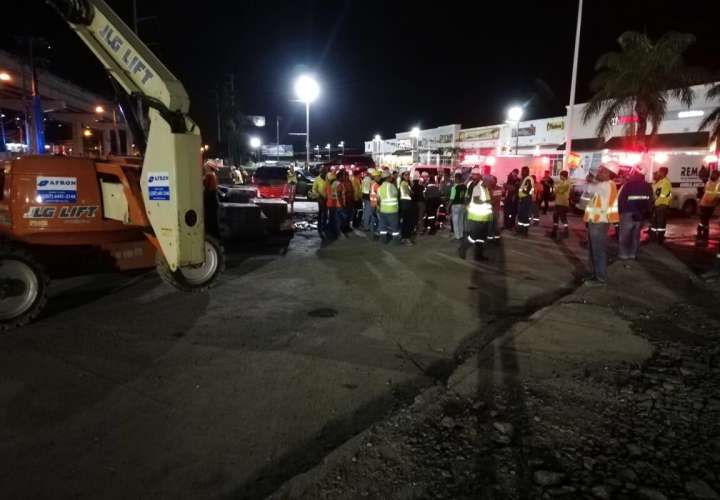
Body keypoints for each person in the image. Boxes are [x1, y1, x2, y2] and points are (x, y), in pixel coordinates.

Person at [583, 163, 620, 286]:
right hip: (595, 221)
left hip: (600, 222)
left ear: (609, 174)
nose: (599, 172)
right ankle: (593, 274)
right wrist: (592, 181)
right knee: (593, 250)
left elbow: (592, 189)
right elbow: (589, 191)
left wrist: (591, 180)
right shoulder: (604, 184)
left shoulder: (608, 185)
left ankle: (600, 278)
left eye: (602, 171)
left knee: (598, 251)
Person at [617, 165, 653, 260]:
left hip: (627, 214)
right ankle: (633, 254)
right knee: (635, 236)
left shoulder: (629, 185)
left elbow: (621, 200)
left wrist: (620, 213)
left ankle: (624, 255)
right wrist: (647, 216)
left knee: (624, 236)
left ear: (636, 173)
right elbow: (650, 202)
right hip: (640, 215)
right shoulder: (648, 186)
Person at [458, 168, 492, 261]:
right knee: (474, 236)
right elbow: (476, 199)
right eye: (489, 181)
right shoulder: (478, 187)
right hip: (477, 216)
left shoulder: (484, 188)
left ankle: (478, 256)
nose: (490, 183)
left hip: (484, 217)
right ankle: (463, 248)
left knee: (481, 238)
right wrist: (487, 202)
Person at [697, 170, 720, 246]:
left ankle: (704, 234)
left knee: (705, 220)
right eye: (712, 174)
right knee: (703, 219)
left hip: (710, 205)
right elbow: (704, 192)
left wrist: (715, 202)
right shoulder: (708, 182)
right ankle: (701, 232)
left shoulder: (718, 184)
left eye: (714, 174)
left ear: (717, 176)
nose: (712, 175)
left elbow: (717, 196)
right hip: (704, 204)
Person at [377, 171, 400, 243]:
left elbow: (378, 200)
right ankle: (395, 241)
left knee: (383, 226)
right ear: (387, 178)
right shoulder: (391, 186)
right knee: (394, 227)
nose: (391, 178)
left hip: (383, 210)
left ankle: (383, 240)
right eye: (390, 177)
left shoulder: (379, 188)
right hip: (392, 210)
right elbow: (396, 194)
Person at [650, 167, 672, 244]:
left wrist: (654, 204)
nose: (658, 173)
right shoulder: (661, 181)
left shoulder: (665, 182)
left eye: (659, 172)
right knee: (655, 222)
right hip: (658, 205)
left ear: (663, 173)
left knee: (660, 223)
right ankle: (654, 237)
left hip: (662, 205)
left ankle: (660, 239)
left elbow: (663, 196)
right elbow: (656, 193)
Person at [550, 170, 572, 240]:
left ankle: (566, 231)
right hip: (558, 202)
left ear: (564, 176)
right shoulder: (562, 182)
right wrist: (556, 188)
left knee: (563, 218)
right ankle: (554, 230)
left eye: (561, 176)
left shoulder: (567, 182)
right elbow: (557, 190)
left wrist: (556, 188)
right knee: (555, 216)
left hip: (563, 203)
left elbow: (560, 190)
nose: (560, 177)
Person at [447, 173, 467, 240]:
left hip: (455, 205)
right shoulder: (464, 187)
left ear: (457, 179)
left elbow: (452, 198)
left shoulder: (454, 187)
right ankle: (461, 235)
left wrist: (448, 207)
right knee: (461, 221)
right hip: (463, 205)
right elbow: (465, 197)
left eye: (455, 178)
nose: (454, 180)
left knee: (455, 221)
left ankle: (457, 236)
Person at [311, 166, 329, 238]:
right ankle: (320, 228)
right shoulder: (317, 179)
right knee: (321, 212)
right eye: (324, 172)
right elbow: (314, 189)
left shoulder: (328, 179)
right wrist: (318, 195)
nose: (325, 173)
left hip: (327, 198)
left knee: (325, 213)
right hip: (320, 199)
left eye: (326, 172)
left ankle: (324, 227)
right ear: (321, 172)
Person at [516, 166, 535, 236]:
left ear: (526, 171)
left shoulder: (528, 179)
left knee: (524, 216)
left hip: (526, 200)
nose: (521, 172)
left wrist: (519, 187)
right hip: (524, 199)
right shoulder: (525, 179)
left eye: (522, 171)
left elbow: (526, 190)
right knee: (521, 215)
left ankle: (524, 231)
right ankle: (520, 230)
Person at [399, 171, 415, 245]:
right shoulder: (404, 183)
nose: (408, 176)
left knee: (405, 222)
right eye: (406, 175)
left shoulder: (405, 183)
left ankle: (404, 238)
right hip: (406, 204)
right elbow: (410, 193)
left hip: (405, 203)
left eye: (408, 175)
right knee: (407, 222)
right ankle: (406, 238)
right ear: (403, 176)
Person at [486, 173, 502, 242]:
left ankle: (497, 239)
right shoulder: (488, 188)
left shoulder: (498, 188)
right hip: (489, 210)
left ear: (495, 181)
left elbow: (496, 200)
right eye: (490, 181)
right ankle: (489, 238)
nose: (491, 182)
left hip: (495, 210)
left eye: (492, 181)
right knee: (489, 225)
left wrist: (487, 203)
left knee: (495, 225)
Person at [325, 171, 338, 239]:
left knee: (332, 217)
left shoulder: (328, 185)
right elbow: (333, 195)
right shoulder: (332, 185)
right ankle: (331, 231)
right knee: (333, 218)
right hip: (333, 203)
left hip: (330, 203)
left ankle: (330, 230)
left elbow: (327, 194)